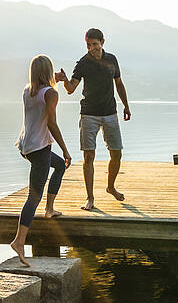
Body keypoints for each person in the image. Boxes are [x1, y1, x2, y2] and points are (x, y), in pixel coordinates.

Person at [55, 27, 129, 211]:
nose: (91, 48)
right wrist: (64, 79)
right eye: (88, 45)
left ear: (103, 42)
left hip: (110, 112)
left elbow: (118, 84)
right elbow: (71, 88)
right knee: (89, 156)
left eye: (95, 44)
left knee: (117, 153)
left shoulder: (112, 59)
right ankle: (90, 198)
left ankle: (110, 186)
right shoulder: (83, 63)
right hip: (89, 114)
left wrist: (126, 106)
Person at [9, 55, 72, 266]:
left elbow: (45, 81)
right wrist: (65, 149)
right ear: (49, 70)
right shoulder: (51, 94)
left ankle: (50, 209)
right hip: (40, 148)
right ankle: (19, 241)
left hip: (26, 147)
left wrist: (59, 79)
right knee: (33, 197)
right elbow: (52, 125)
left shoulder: (28, 89)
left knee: (59, 167)